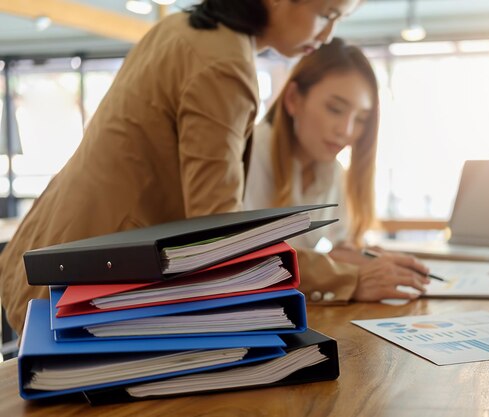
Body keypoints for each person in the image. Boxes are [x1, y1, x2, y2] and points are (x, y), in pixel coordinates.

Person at [0, 0, 362, 336]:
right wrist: (341, 277)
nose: (327, 34)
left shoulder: (181, 28)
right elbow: (219, 233)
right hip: (86, 285)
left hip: (49, 252)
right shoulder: (225, 63)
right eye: (327, 13)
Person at [244, 38, 430, 304]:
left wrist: (364, 259)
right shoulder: (247, 158)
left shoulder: (331, 172)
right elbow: (250, 262)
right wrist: (345, 277)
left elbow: (335, 249)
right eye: (335, 109)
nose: (346, 130)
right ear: (294, 99)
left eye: (361, 119)